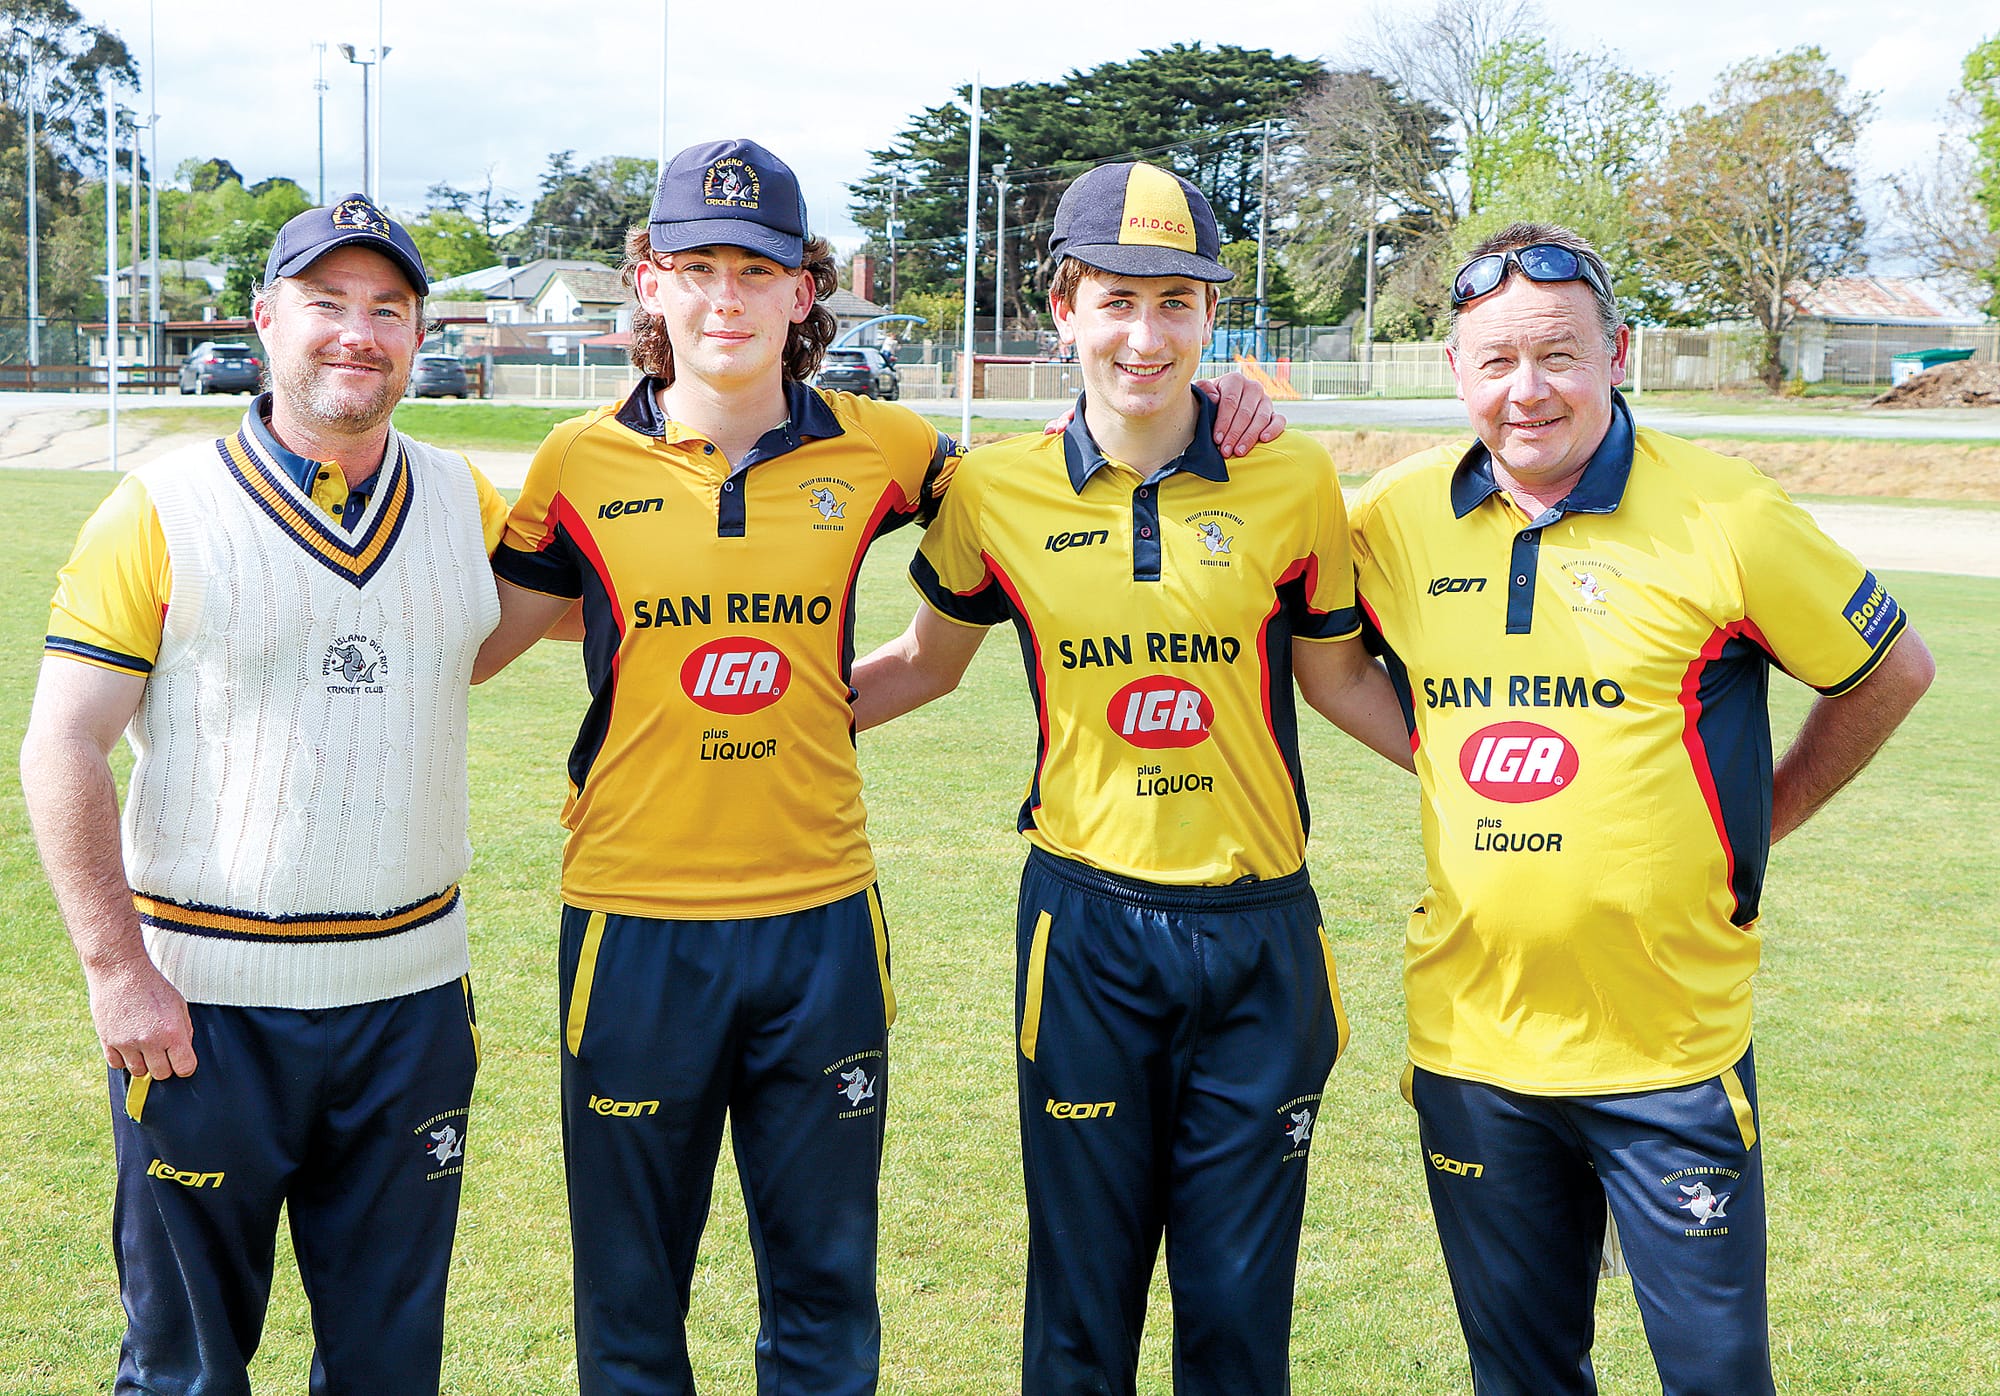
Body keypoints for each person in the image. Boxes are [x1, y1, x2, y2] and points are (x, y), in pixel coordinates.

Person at [469, 138, 1282, 1396]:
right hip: (631, 923)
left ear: (805, 291)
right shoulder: (576, 465)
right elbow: (476, 639)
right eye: (695, 267)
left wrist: (1217, 412)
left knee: (826, 1299)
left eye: (756, 270)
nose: (724, 299)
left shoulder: (889, 449)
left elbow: (1062, 483)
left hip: (821, 925)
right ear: (647, 282)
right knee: (629, 1308)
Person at [849, 161, 1414, 1396]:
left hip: (1262, 933)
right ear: (1061, 311)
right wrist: (743, 737)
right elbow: (920, 668)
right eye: (1114, 301)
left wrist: (1485, 781)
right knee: (1078, 1310)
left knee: (1234, 1316)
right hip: (1086, 932)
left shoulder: (1293, 477)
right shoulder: (993, 490)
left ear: (1212, 318)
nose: (1143, 335)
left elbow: (1341, 683)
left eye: (1174, 303)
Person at [1347, 222, 1936, 1395]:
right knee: (1518, 1377)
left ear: (1615, 352)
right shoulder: (1391, 519)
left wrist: (1760, 814)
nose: (1527, 391)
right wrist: (1440, 754)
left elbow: (1892, 668)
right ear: (1454, 371)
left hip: (1666, 1044)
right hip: (1472, 1045)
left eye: (1558, 356)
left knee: (1715, 1379)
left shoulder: (1726, 513)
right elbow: (1310, 646)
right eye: (1495, 362)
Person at [19, 195, 508, 1396]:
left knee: (391, 1368)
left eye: (387, 309)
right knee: (187, 1367)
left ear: (417, 335)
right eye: (326, 303)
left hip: (408, 1006)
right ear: (264, 320)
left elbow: (550, 623)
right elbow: (62, 744)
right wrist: (116, 969)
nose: (358, 332)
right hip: (203, 1016)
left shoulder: (465, 501)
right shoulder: (163, 506)